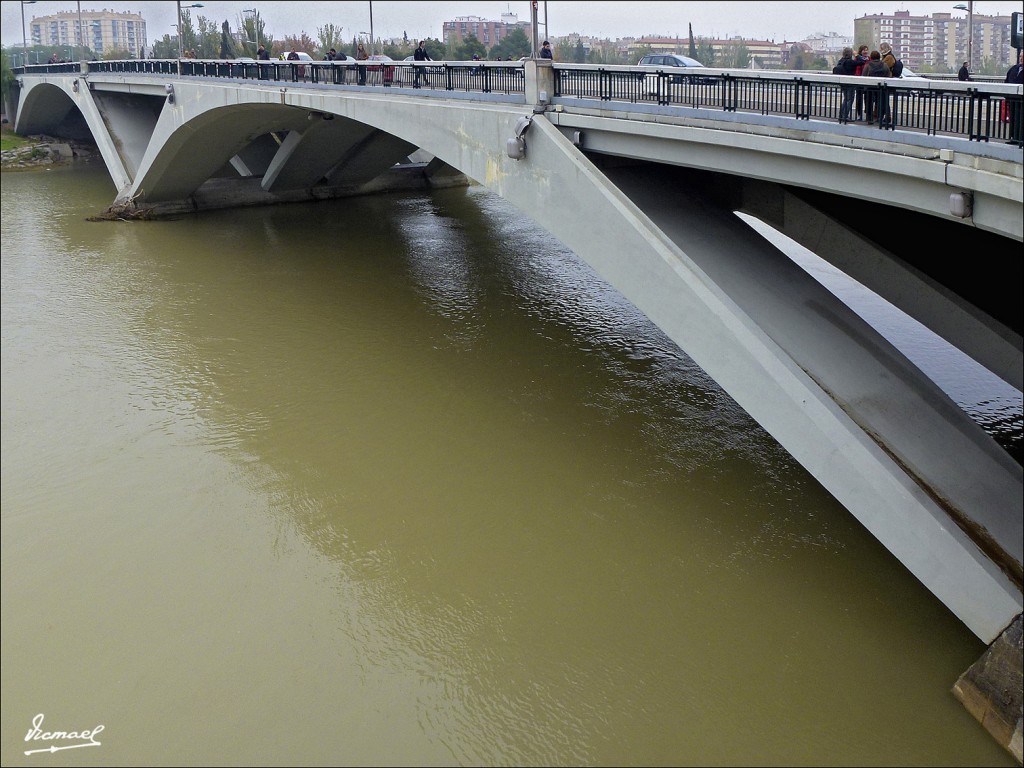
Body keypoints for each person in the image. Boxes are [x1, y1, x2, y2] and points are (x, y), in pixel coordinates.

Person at [860, 50, 890, 124]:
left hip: (870, 87)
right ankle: (879, 117)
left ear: (871, 57)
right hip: (881, 87)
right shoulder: (884, 65)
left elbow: (863, 76)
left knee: (869, 102)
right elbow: (888, 75)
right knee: (880, 102)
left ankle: (869, 118)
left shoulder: (868, 65)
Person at [832, 47, 858, 122]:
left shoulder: (841, 61)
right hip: (850, 83)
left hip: (843, 83)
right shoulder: (850, 62)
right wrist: (856, 55)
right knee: (850, 99)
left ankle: (841, 115)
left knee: (846, 99)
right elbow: (862, 62)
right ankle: (845, 116)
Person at [1005, 50, 1024, 145]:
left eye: (1022, 56)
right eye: (1020, 56)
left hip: (1022, 100)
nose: (1021, 58)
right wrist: (1007, 97)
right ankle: (1014, 138)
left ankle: (1021, 139)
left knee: (1021, 119)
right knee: (1013, 119)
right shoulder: (1013, 69)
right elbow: (1006, 82)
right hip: (1012, 99)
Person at [853, 44, 870, 120]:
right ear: (861, 51)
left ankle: (867, 114)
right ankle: (859, 114)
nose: (865, 51)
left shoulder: (869, 59)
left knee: (867, 98)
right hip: (859, 81)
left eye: (866, 50)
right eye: (864, 50)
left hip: (867, 81)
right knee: (859, 99)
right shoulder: (857, 60)